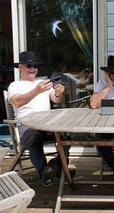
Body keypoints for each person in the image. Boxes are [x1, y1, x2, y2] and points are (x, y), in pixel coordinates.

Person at [8, 51, 75, 187]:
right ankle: (46, 171)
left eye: (35, 65)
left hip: (47, 125)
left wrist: (58, 93)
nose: (32, 68)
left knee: (67, 137)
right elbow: (17, 102)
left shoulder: (42, 83)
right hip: (27, 127)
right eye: (29, 65)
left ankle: (54, 167)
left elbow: (56, 100)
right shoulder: (15, 85)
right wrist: (36, 91)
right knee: (34, 138)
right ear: (20, 67)